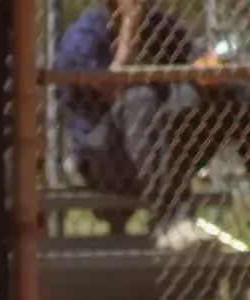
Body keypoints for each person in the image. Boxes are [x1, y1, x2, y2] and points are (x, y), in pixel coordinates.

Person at [55, 0, 223, 246]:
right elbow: (115, 89)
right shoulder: (84, 35)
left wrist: (213, 70)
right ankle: (173, 220)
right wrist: (130, 25)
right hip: (103, 160)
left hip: (159, 153)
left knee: (235, 92)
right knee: (138, 98)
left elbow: (199, 63)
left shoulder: (159, 26)